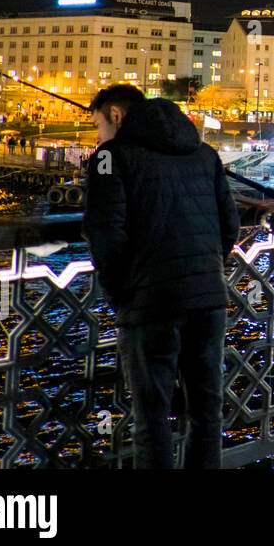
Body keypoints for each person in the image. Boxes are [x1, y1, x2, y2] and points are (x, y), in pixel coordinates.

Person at [82, 83, 239, 468]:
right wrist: (206, 271)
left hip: (151, 305)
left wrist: (123, 294)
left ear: (116, 115)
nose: (98, 135)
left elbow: (106, 234)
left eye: (98, 125)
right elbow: (229, 225)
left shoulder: (109, 157)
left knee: (152, 416)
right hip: (208, 298)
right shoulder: (204, 154)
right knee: (207, 411)